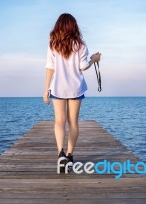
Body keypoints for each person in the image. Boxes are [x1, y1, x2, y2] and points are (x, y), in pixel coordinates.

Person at [43, 13, 101, 171]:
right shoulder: (81, 45)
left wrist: (45, 89)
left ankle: (60, 154)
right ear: (73, 26)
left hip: (57, 87)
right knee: (73, 123)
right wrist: (94, 59)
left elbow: (50, 67)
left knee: (59, 121)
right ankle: (69, 155)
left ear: (58, 26)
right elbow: (83, 67)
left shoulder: (53, 44)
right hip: (75, 88)